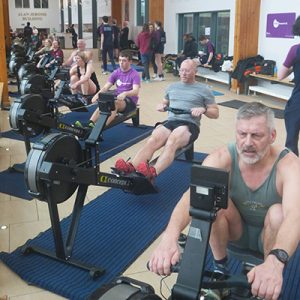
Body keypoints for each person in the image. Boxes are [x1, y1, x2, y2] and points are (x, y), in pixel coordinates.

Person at [149, 101, 300, 300]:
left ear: (272, 136)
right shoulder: (222, 157)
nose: (247, 143)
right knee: (211, 200)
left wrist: (276, 261)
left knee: (278, 213)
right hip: (234, 233)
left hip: (269, 237)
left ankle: (265, 273)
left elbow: (295, 216)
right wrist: (169, 237)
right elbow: (191, 196)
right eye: (242, 134)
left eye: (256, 135)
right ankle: (220, 269)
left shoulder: (289, 165)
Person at [114, 59, 218, 182]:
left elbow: (215, 113)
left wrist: (204, 110)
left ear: (195, 72)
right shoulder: (172, 87)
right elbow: (164, 102)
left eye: (187, 71)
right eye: (182, 70)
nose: (184, 73)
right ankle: (130, 167)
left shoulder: (203, 89)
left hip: (189, 124)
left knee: (172, 141)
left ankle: (153, 172)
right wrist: (161, 106)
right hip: (172, 121)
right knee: (153, 139)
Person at [75, 51, 140, 129]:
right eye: (119, 60)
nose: (121, 63)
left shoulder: (135, 74)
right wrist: (96, 96)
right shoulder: (116, 72)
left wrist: (125, 94)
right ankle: (90, 123)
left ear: (130, 62)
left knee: (114, 104)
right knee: (103, 103)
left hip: (130, 101)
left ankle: (99, 128)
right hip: (118, 97)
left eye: (124, 60)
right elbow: (105, 87)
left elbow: (136, 91)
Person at [278, 15, 300, 156]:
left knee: (291, 141)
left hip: (298, 101)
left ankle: (292, 171)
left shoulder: (295, 50)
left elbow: (280, 75)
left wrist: (294, 66)